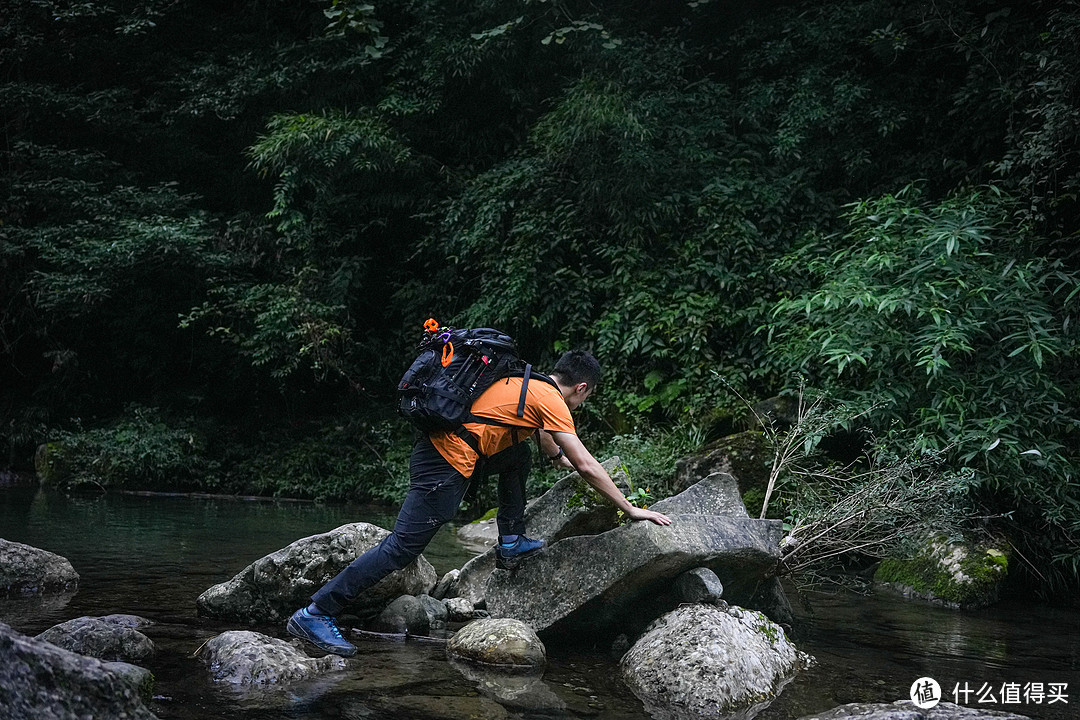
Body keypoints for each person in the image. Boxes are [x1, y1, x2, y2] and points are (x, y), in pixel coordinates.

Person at [286, 349, 671, 656]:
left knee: (517, 456)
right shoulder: (551, 399)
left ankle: (510, 541)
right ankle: (316, 612)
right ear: (582, 388)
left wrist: (562, 462)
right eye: (586, 398)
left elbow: (550, 448)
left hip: (450, 455)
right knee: (402, 548)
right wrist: (629, 507)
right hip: (443, 463)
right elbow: (586, 463)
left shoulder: (529, 384)